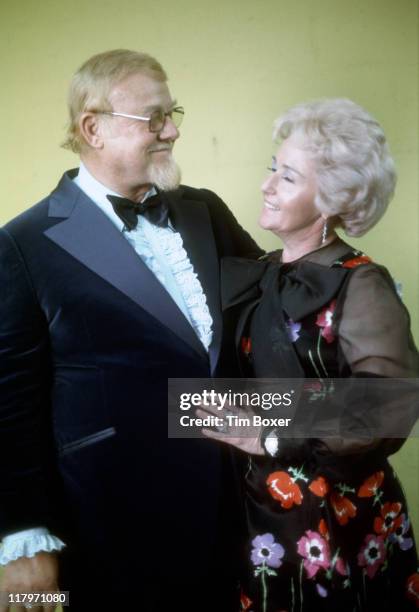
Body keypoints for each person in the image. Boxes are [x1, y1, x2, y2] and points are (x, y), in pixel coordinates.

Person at [0, 49, 262, 611]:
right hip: (114, 520)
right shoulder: (22, 242)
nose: (172, 131)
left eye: (174, 113)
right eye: (154, 118)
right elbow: (9, 400)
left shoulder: (204, 209)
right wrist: (21, 533)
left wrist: (350, 291)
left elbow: (265, 320)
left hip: (243, 502)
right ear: (92, 128)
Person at [199, 99, 419, 610]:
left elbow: (389, 406)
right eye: (272, 167)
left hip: (334, 519)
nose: (266, 184)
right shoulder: (262, 271)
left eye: (289, 177)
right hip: (255, 511)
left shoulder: (362, 283)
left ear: (329, 202)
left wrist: (270, 435)